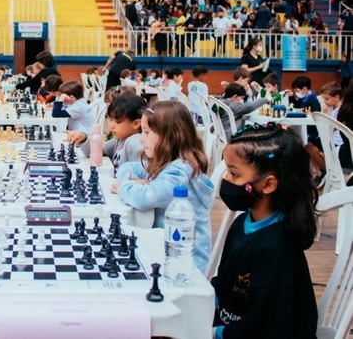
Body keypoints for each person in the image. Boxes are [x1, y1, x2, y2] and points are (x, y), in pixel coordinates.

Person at [212, 122, 318, 338]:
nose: (225, 180)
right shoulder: (241, 224)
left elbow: (267, 324)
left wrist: (215, 333)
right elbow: (223, 281)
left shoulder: (278, 247)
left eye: (234, 174)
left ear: (268, 185)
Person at [112, 100, 214, 272]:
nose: (140, 138)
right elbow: (127, 167)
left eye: (146, 132)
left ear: (170, 136)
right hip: (164, 249)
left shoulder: (179, 172)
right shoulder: (164, 163)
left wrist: (125, 186)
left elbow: (145, 198)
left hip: (185, 264)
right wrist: (132, 181)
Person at [66, 94, 146, 174]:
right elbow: (94, 151)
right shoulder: (120, 140)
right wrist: (84, 138)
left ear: (136, 124)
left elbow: (142, 175)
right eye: (111, 120)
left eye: (118, 122)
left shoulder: (134, 142)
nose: (111, 125)